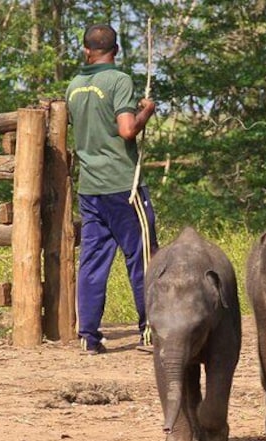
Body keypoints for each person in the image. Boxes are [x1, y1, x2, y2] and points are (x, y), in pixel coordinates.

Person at [66, 23, 158, 354]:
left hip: (90, 189)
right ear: (115, 50)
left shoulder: (74, 86)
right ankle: (149, 331)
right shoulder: (119, 81)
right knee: (143, 257)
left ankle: (88, 336)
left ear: (86, 50)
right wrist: (145, 110)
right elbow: (127, 130)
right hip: (124, 186)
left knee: (93, 259)